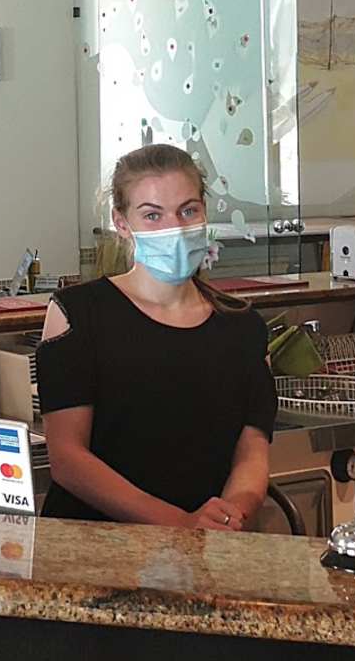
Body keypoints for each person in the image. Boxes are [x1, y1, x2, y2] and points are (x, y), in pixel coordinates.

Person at [34, 143, 275, 529]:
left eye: (188, 211)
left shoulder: (243, 326)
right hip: (95, 546)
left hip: (209, 548)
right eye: (152, 215)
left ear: (204, 212)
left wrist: (231, 514)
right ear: (122, 223)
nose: (174, 229)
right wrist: (180, 524)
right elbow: (68, 460)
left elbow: (252, 450)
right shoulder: (77, 314)